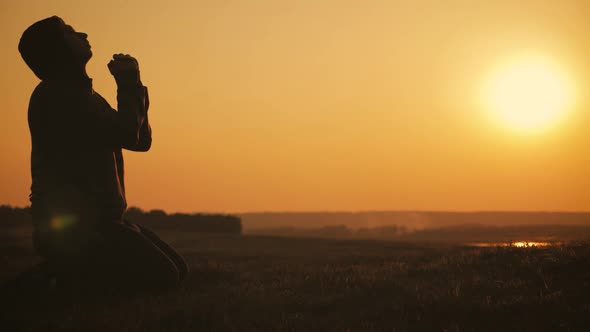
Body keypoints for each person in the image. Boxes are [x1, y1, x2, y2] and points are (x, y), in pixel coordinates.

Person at [15, 16, 188, 294]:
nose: (81, 33)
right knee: (164, 277)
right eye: (69, 32)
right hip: (81, 229)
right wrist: (128, 83)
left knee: (177, 269)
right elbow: (129, 134)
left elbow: (141, 141)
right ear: (58, 50)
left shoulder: (86, 96)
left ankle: (67, 273)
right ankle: (53, 280)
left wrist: (134, 85)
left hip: (104, 222)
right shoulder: (59, 97)